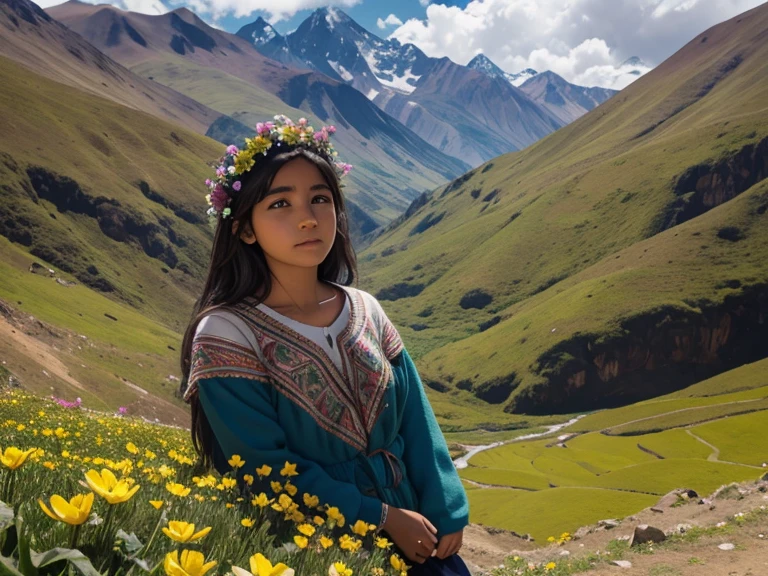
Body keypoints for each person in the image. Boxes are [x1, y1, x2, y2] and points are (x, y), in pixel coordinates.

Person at [179, 115, 470, 575]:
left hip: (419, 529)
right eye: (280, 204)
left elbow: (415, 417)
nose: (309, 218)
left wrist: (447, 506)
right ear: (245, 228)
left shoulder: (365, 309)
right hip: (313, 547)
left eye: (320, 198)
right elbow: (265, 467)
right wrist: (380, 517)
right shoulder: (226, 334)